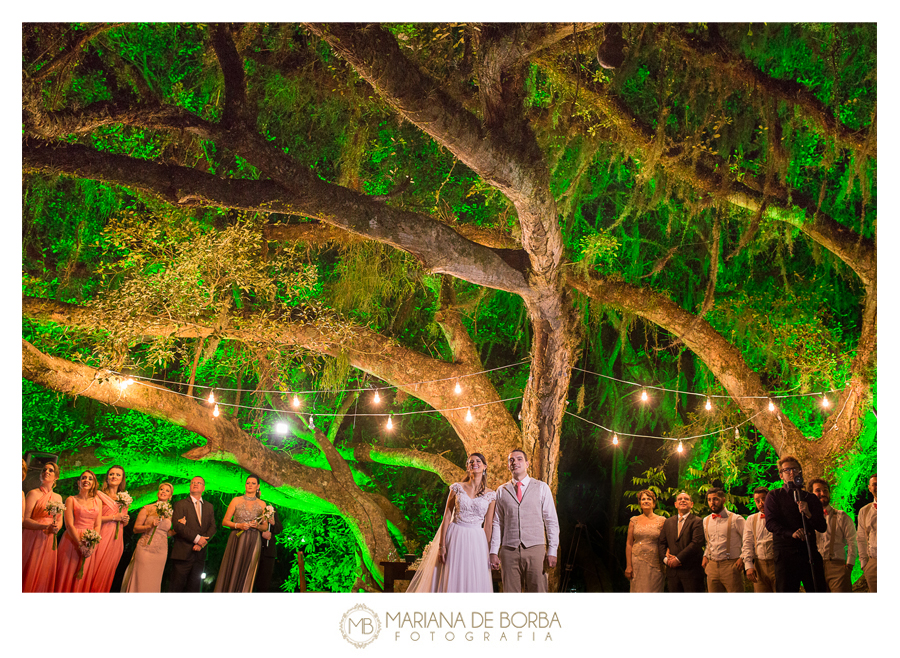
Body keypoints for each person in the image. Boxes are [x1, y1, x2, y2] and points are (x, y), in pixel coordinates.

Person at [408, 453, 497, 593]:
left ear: (485, 466)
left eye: (478, 461)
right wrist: (441, 546)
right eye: (471, 461)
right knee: (452, 572)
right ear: (467, 467)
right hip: (456, 534)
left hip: (477, 539)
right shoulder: (457, 488)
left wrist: (485, 550)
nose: (474, 463)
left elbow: (488, 525)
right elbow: (447, 516)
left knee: (473, 576)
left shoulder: (491, 495)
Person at [489, 449, 559, 593]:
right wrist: (493, 551)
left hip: (536, 550)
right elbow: (497, 523)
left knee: (538, 592)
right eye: (511, 460)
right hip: (509, 551)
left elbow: (551, 521)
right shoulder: (501, 490)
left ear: (527, 463)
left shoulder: (541, 487)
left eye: (519, 459)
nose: (515, 462)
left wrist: (553, 550)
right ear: (508, 466)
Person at [764, 455, 827, 592]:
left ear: (800, 472)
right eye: (787, 470)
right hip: (786, 556)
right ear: (781, 475)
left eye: (795, 469)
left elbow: (822, 527)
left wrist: (808, 513)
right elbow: (770, 523)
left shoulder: (810, 498)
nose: (791, 472)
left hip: (809, 553)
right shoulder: (774, 496)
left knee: (818, 589)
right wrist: (791, 533)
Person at [215, 474, 268, 592]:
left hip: (254, 539)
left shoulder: (262, 504)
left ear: (258, 486)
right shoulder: (236, 500)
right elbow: (225, 521)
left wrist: (257, 526)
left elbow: (265, 527)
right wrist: (238, 525)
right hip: (237, 538)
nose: (250, 485)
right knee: (233, 567)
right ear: (245, 485)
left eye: (253, 483)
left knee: (248, 569)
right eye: (248, 483)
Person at [121, 482, 176, 592]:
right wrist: (149, 526)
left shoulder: (171, 513)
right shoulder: (147, 508)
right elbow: (136, 529)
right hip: (145, 547)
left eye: (167, 491)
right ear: (158, 492)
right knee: (141, 577)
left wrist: (178, 529)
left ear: (170, 496)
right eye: (161, 489)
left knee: (154, 579)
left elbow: (167, 533)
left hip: (160, 551)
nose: (163, 492)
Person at [55, 470, 103, 592]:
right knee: (68, 572)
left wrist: (92, 544)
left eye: (90, 478)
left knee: (82, 575)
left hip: (90, 540)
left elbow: (98, 525)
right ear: (79, 482)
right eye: (83, 478)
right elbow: (69, 525)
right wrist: (80, 544)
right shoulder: (71, 500)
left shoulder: (98, 502)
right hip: (72, 540)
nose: (86, 480)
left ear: (94, 483)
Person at [808, 478, 857, 593]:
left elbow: (852, 542)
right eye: (818, 490)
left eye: (825, 490)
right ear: (811, 494)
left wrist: (849, 564)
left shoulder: (842, 516)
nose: (823, 493)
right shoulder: (806, 518)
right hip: (815, 568)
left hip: (837, 567)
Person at [169, 475, 217, 592]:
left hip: (200, 555)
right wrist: (197, 539)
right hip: (183, 553)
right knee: (176, 587)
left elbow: (213, 527)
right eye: (193, 482)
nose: (195, 484)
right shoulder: (180, 504)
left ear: (204, 488)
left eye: (199, 483)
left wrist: (201, 543)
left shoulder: (209, 507)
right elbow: (178, 526)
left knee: (195, 588)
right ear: (190, 486)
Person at [22, 461, 64, 592]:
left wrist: (57, 528)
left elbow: (59, 520)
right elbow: (25, 520)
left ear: (56, 477)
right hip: (33, 536)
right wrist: (44, 526)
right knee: (30, 568)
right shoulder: (33, 494)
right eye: (44, 470)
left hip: (49, 539)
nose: (46, 472)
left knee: (44, 572)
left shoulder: (58, 498)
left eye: (51, 470)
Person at [91, 465, 130, 592]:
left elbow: (122, 521)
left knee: (108, 571)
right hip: (101, 534)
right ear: (107, 477)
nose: (114, 477)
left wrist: (125, 520)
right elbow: (93, 518)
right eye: (111, 474)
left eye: (118, 475)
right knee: (95, 567)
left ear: (122, 479)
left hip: (116, 539)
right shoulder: (98, 495)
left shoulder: (124, 498)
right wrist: (114, 517)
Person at [658, 491, 705, 592]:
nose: (683, 500)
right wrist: (666, 560)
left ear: (691, 505)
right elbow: (662, 543)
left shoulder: (697, 521)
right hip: (672, 572)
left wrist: (678, 559)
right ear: (675, 504)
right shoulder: (668, 522)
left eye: (686, 499)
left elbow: (696, 543)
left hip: (691, 572)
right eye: (680, 499)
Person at [702, 487, 745, 592]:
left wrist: (742, 558)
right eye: (709, 500)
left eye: (715, 499)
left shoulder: (736, 519)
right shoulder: (706, 520)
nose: (712, 502)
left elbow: (748, 540)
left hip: (731, 565)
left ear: (723, 500)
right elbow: (709, 542)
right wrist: (705, 555)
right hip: (712, 566)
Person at [624, 489, 665, 592]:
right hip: (637, 562)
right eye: (643, 499)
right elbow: (629, 544)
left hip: (655, 562)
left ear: (654, 503)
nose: (646, 501)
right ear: (640, 503)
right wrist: (628, 566)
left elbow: (665, 543)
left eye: (649, 499)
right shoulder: (634, 520)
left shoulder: (662, 520)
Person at [741, 486, 775, 593]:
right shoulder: (752, 519)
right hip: (759, 565)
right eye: (757, 501)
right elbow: (747, 543)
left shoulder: (778, 516)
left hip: (777, 563)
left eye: (764, 499)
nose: (761, 503)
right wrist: (749, 565)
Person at [253, 502, 284, 592]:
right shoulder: (253, 507)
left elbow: (279, 529)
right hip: (255, 547)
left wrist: (273, 523)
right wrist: (261, 532)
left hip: (269, 551)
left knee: (264, 583)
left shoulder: (272, 509)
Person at [857, 473, 877, 592]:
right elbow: (861, 539)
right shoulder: (864, 511)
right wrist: (865, 564)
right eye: (874, 484)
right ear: (869, 488)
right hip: (873, 563)